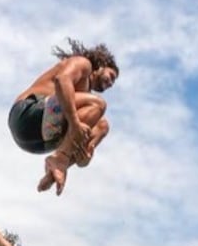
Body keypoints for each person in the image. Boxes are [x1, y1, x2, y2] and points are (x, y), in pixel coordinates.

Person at [8, 38, 119, 196]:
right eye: (111, 76)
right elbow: (62, 80)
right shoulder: (83, 64)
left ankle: (60, 164)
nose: (111, 84)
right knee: (98, 105)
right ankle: (62, 157)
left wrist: (83, 159)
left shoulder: (86, 99)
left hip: (38, 141)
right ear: (101, 66)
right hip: (27, 114)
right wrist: (74, 123)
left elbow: (89, 127)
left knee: (102, 126)